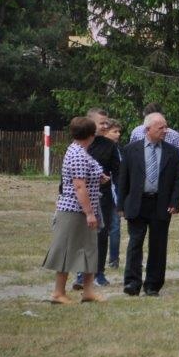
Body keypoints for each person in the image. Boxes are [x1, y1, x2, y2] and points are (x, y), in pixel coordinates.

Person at [117, 113, 179, 296]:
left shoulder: (173, 152)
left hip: (161, 204)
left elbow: (178, 179)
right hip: (137, 203)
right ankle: (132, 283)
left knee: (158, 245)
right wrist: (120, 205)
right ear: (148, 129)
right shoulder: (131, 150)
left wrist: (175, 202)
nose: (165, 130)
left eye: (166, 126)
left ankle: (153, 284)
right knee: (135, 243)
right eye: (161, 127)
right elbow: (123, 179)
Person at [43, 116, 106, 304]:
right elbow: (79, 186)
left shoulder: (80, 151)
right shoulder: (77, 154)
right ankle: (58, 293)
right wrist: (89, 213)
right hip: (74, 211)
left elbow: (86, 176)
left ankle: (88, 292)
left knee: (89, 249)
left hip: (84, 210)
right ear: (91, 135)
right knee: (66, 250)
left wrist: (99, 176)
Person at [72, 108, 119, 291]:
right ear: (90, 123)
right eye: (102, 123)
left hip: (103, 197)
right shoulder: (79, 145)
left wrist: (122, 196)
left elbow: (118, 172)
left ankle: (99, 273)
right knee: (82, 235)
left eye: (107, 122)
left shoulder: (109, 146)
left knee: (101, 235)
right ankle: (80, 273)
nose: (106, 126)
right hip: (80, 197)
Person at [105, 118, 124, 269]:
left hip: (116, 193)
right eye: (114, 131)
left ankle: (114, 259)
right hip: (104, 192)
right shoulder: (101, 148)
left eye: (119, 132)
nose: (118, 134)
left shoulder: (119, 150)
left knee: (115, 227)